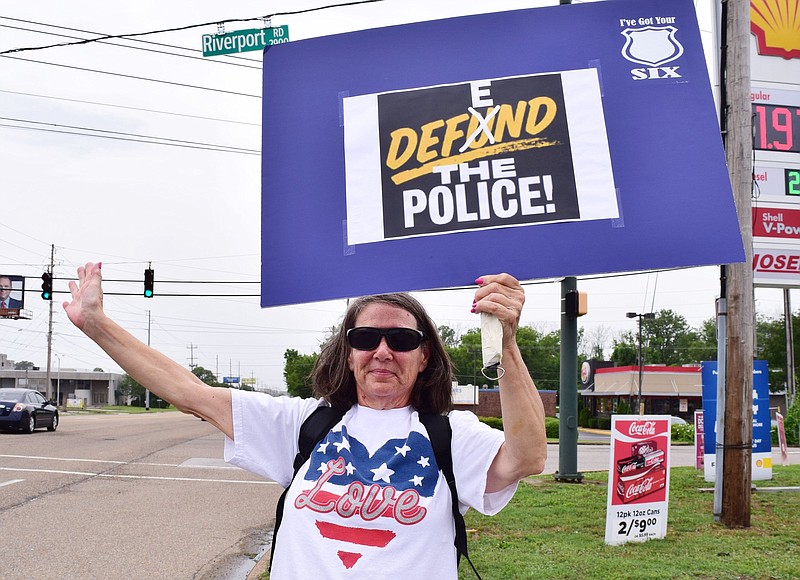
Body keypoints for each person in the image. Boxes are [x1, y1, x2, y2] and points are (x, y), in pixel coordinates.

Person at [63, 262, 547, 579]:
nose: (382, 352)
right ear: (348, 353)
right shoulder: (303, 423)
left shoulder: (448, 435)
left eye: (400, 340)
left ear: (424, 357)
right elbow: (191, 395)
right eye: (365, 339)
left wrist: (504, 344)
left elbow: (527, 456)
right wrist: (96, 322)